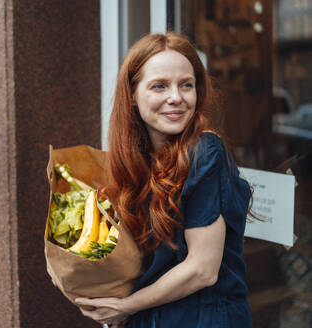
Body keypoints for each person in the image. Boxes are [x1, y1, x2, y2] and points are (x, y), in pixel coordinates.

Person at [75, 33, 253, 327]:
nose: (176, 97)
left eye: (186, 85)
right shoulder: (136, 162)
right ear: (132, 95)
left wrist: (127, 306)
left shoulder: (205, 151)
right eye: (160, 86)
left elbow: (202, 269)